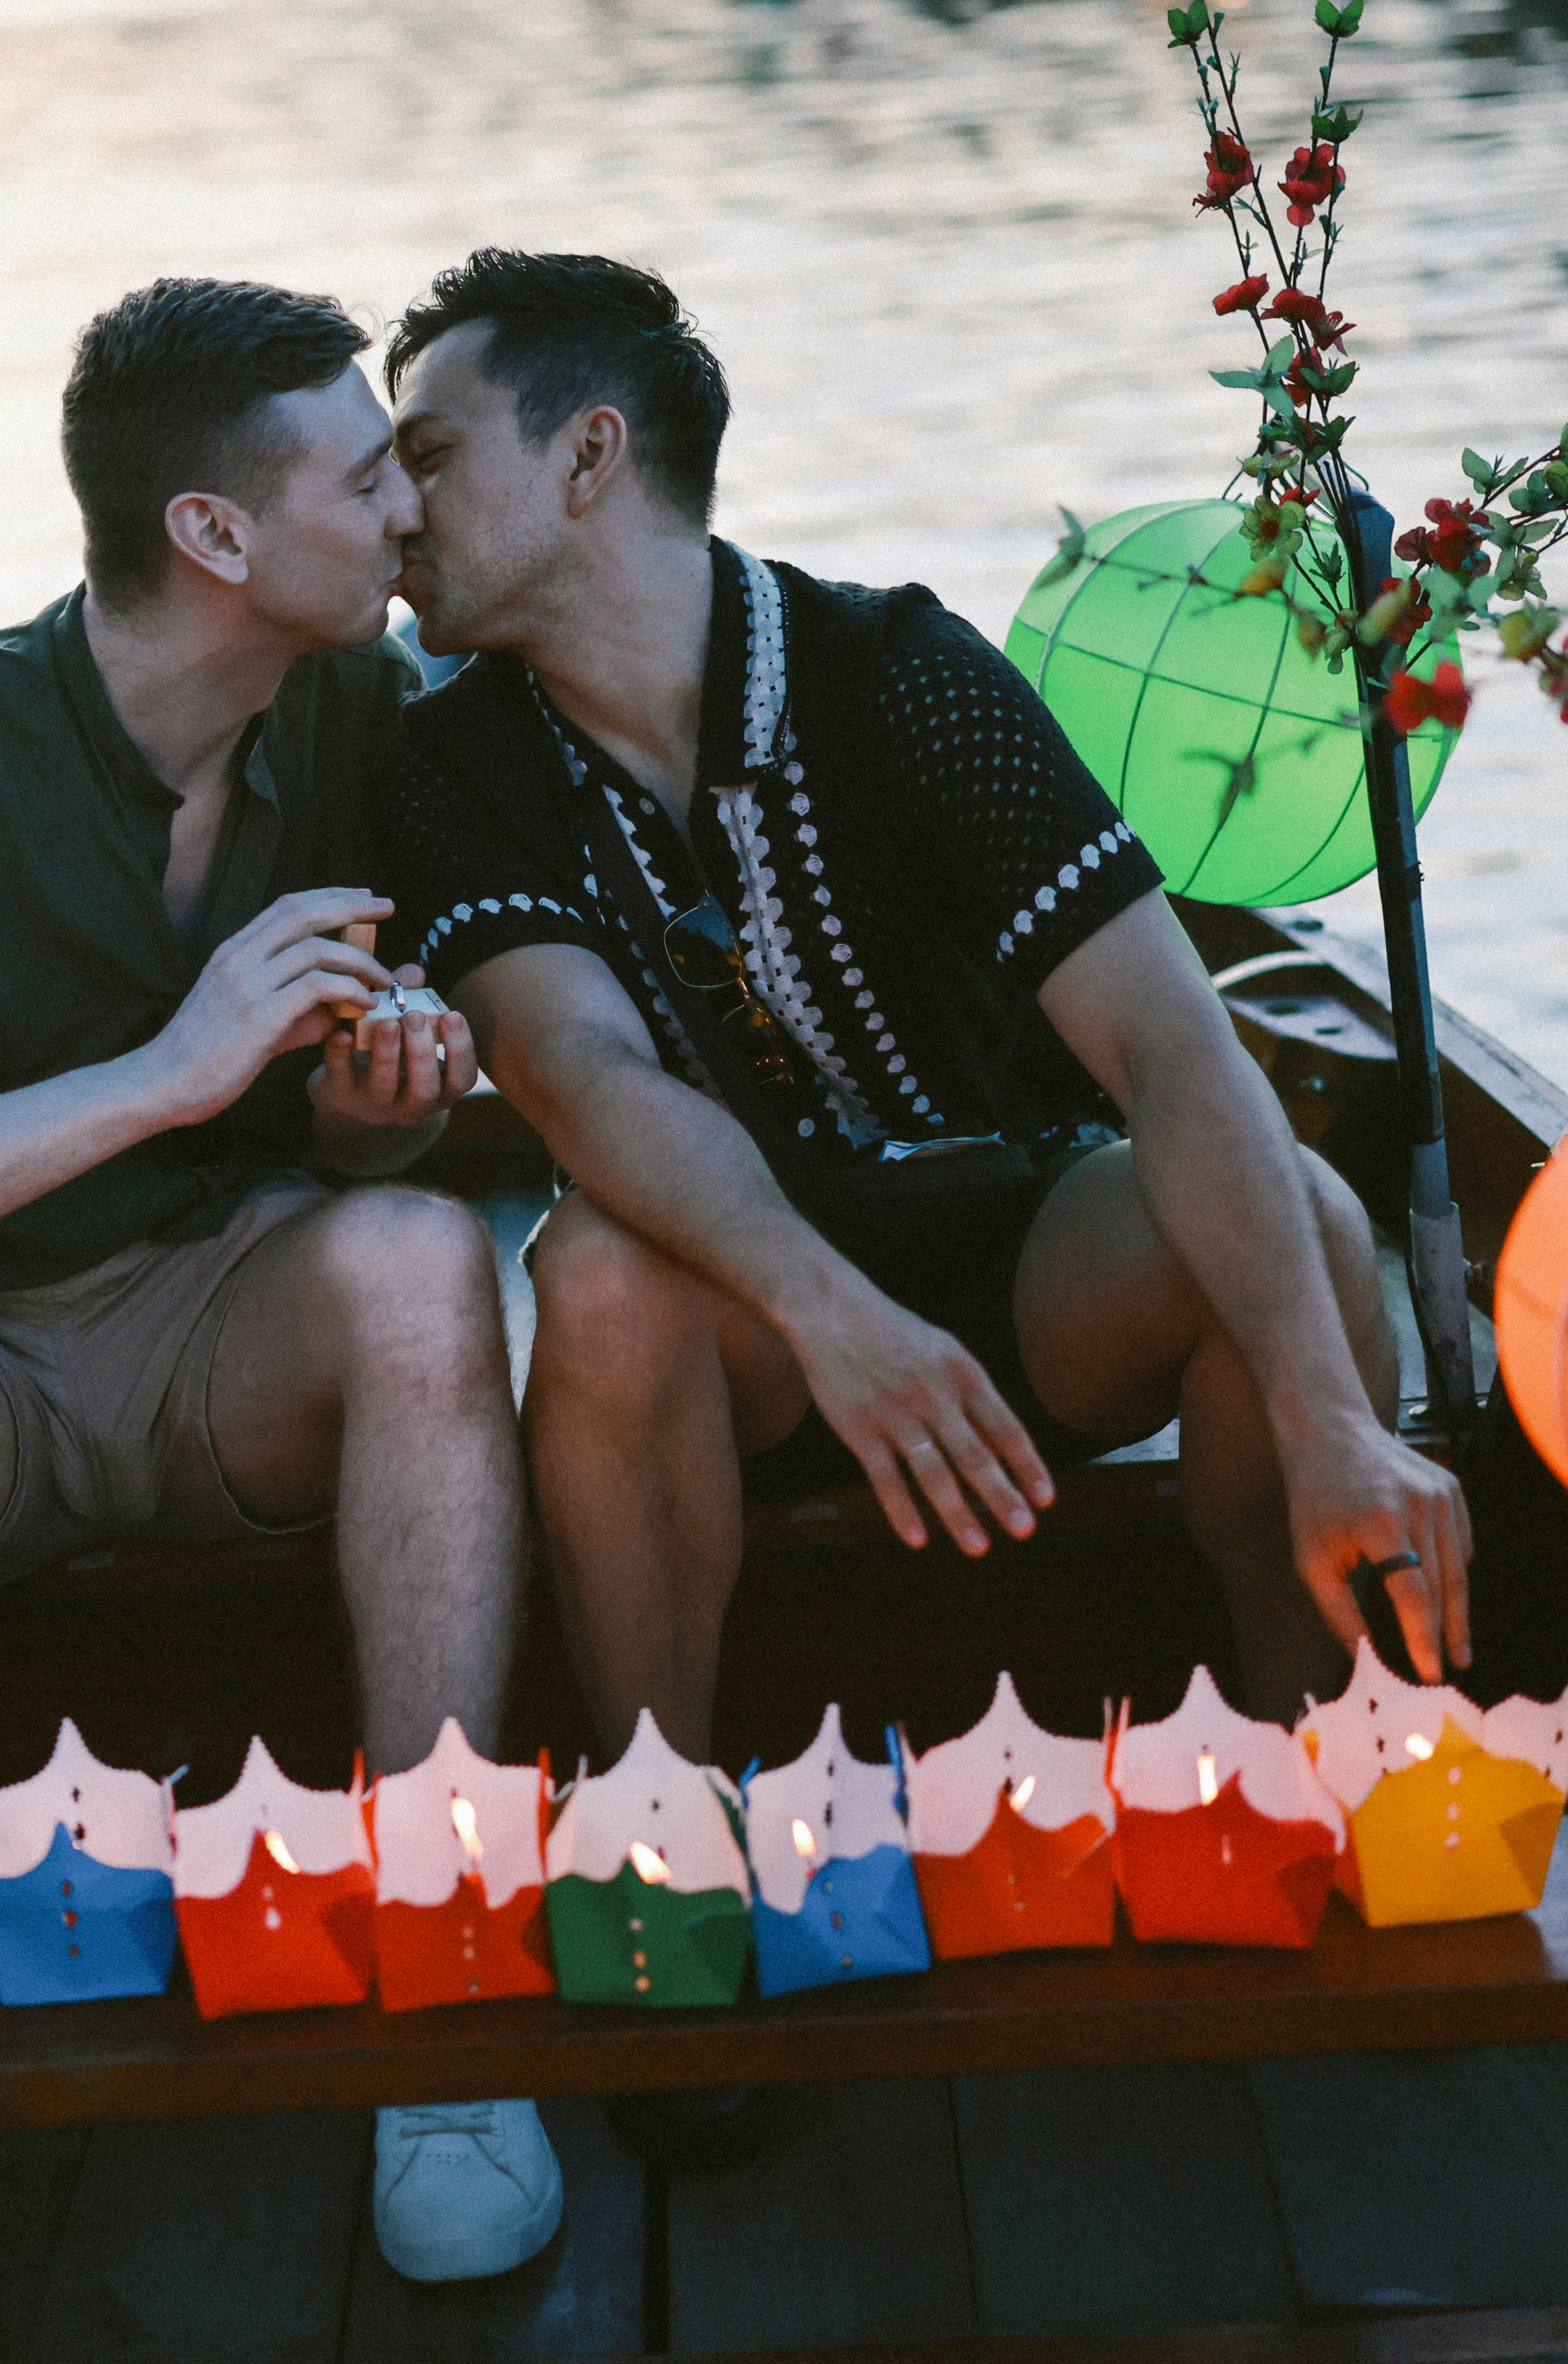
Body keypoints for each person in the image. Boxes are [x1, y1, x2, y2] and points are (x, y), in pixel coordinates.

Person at [0, 278, 563, 2364]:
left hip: (211, 1322)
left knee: (425, 1262)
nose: (405, 511)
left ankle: (439, 2003)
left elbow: (349, 1164)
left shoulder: (354, 706)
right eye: (367, 478)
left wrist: (364, 1118)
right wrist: (164, 1073)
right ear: (215, 538)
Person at [371, 248, 1474, 1768]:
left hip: (1033, 1274)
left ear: (589, 455)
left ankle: (1324, 1780)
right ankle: (662, 1820)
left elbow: (1166, 1044)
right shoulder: (450, 763)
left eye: (426, 455)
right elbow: (578, 1075)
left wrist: (1335, 1416)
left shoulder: (897, 669)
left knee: (1310, 1228)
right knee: (605, 1280)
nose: (394, 514)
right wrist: (832, 1313)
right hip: (744, 1333)